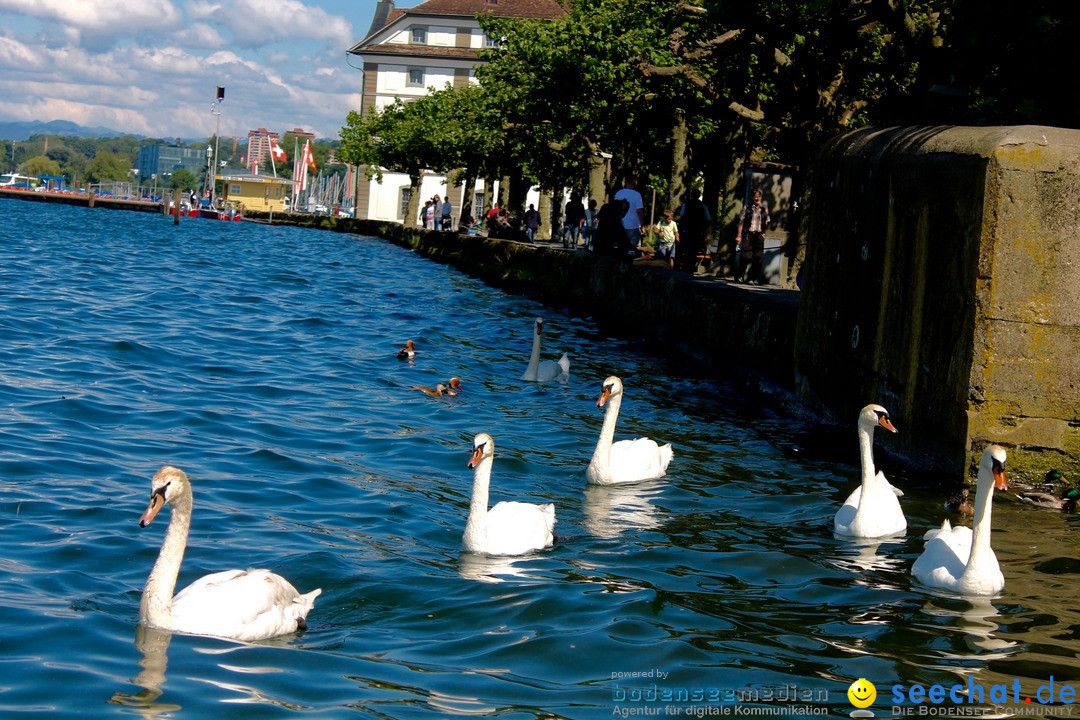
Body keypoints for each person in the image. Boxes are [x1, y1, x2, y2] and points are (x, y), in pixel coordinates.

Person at [734, 189, 770, 284]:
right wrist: (739, 235)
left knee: (758, 258)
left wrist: (764, 233)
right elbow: (741, 222)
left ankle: (752, 278)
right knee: (746, 256)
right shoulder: (747, 207)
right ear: (752, 197)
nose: (757, 198)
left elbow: (766, 222)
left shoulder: (764, 208)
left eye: (759, 196)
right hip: (748, 234)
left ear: (761, 197)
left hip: (759, 235)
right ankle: (740, 276)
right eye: (755, 196)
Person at [676, 188, 711, 273]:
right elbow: (708, 218)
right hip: (698, 230)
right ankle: (692, 266)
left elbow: (682, 215)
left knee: (687, 248)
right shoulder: (702, 205)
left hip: (688, 229)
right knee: (694, 249)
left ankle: (687, 266)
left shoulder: (686, 204)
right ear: (699, 195)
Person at [614, 178, 645, 258]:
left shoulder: (619, 193)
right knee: (635, 246)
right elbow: (639, 211)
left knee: (621, 244)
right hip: (634, 224)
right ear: (633, 184)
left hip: (621, 223)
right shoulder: (637, 194)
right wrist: (642, 225)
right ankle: (633, 261)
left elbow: (614, 207)